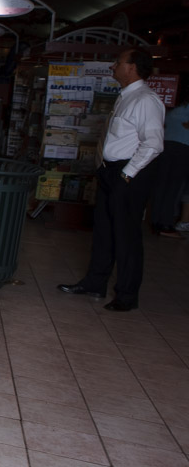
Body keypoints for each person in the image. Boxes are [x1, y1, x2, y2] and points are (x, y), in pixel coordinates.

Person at [60, 48, 164, 311]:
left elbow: (153, 144)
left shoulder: (145, 100)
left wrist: (127, 175)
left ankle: (127, 296)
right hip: (111, 170)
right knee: (104, 231)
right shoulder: (126, 96)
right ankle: (95, 282)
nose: (112, 67)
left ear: (132, 67)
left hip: (129, 174)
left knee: (126, 236)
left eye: (117, 62)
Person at [152, 81, 189, 237]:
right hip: (183, 148)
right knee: (174, 187)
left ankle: (156, 221)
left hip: (165, 146)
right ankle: (165, 224)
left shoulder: (173, 107)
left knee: (162, 185)